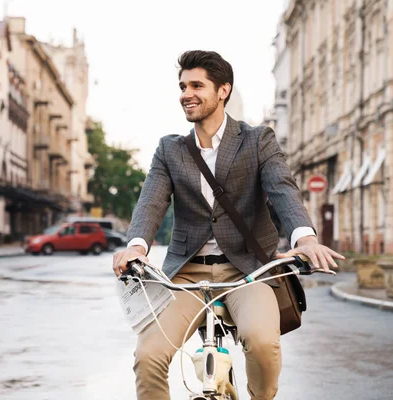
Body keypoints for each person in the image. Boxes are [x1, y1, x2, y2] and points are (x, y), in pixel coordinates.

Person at [112, 50, 344, 400]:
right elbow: (151, 202)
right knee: (148, 356)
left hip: (247, 271)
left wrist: (305, 237)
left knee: (263, 343)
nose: (186, 93)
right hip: (187, 274)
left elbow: (282, 188)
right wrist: (136, 246)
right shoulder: (169, 150)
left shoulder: (257, 140)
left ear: (223, 91)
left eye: (196, 85)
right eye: (182, 86)